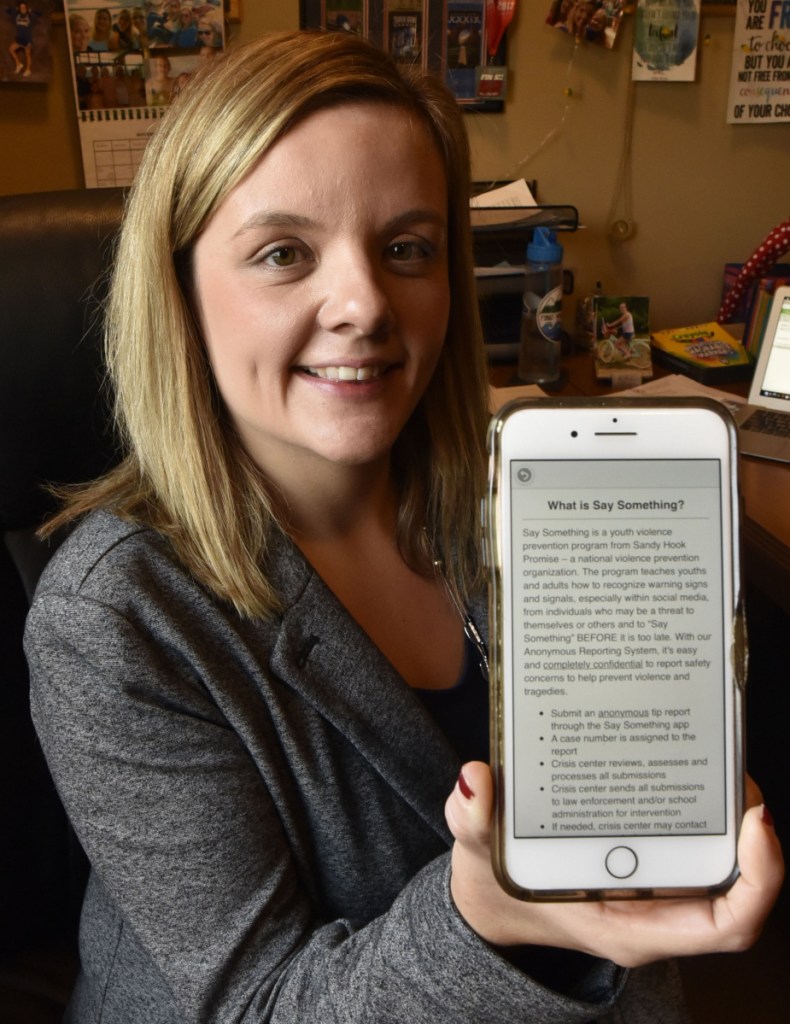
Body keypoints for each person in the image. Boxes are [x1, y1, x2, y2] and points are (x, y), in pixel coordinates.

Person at [26, 30, 783, 1024]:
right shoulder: (115, 619)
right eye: (284, 252)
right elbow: (260, 1006)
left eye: (406, 248)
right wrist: (489, 917)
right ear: (179, 290)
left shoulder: (519, 500)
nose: (365, 302)